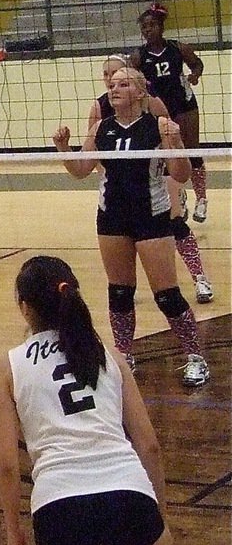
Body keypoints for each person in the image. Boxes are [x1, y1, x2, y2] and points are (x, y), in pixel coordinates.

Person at [0, 255, 198, 545]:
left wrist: (12, 526)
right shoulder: (110, 355)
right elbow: (148, 445)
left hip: (58, 503)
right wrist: (157, 511)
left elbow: (6, 463)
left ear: (25, 308)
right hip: (126, 493)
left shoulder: (8, 366)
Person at [52, 67, 210, 387]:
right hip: (112, 216)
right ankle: (125, 357)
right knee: (120, 293)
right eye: (112, 85)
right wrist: (63, 148)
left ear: (141, 93)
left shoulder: (160, 125)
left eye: (123, 84)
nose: (115, 89)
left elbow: (180, 175)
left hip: (151, 216)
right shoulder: (100, 128)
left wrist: (175, 144)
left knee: (167, 295)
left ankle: (196, 357)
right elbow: (81, 170)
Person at [88, 56, 213, 306]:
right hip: (122, 182)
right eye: (107, 76)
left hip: (158, 174)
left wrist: (172, 181)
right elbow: (93, 149)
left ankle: (200, 277)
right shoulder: (100, 107)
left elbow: (168, 135)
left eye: (116, 75)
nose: (111, 82)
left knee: (175, 222)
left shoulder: (150, 102)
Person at [129, 4, 207, 223]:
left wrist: (195, 75)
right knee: (165, 155)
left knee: (191, 151)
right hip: (159, 108)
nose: (147, 30)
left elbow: (197, 64)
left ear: (161, 27)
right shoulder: (137, 57)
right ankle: (178, 195)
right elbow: (131, 79)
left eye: (152, 25)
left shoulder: (178, 48)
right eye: (144, 27)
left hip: (184, 104)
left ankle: (201, 199)